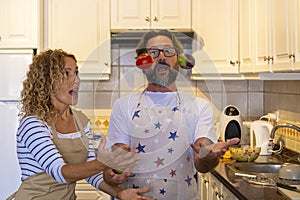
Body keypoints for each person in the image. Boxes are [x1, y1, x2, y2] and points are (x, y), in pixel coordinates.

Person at [104, 30, 240, 199]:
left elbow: (202, 163)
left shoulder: (199, 107)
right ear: (142, 62)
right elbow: (115, 164)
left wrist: (208, 156)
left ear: (179, 60)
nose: (162, 57)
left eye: (168, 51)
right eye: (153, 52)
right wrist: (111, 173)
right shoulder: (123, 106)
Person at [9, 49, 153, 200]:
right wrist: (104, 162)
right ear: (47, 80)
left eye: (76, 73)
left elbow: (92, 172)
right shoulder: (33, 124)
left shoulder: (80, 121)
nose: (76, 80)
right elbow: (60, 172)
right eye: (67, 73)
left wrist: (118, 193)